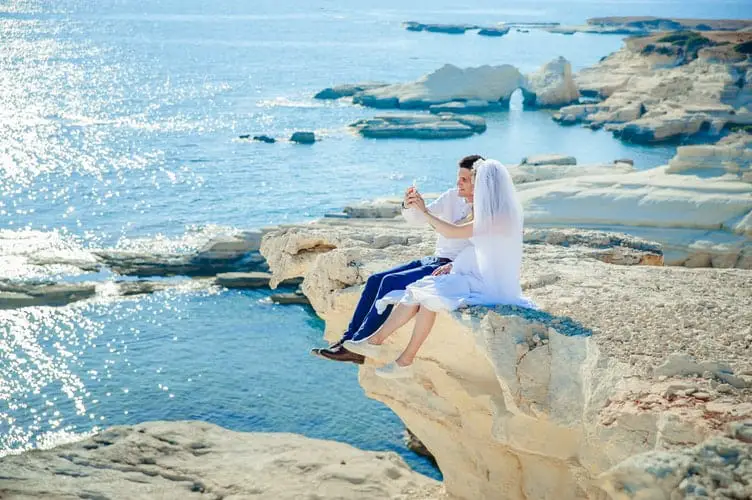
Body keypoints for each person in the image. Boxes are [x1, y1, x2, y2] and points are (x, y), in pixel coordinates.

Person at [343, 159, 535, 378]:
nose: (462, 184)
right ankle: (396, 357)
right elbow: (486, 244)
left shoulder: (499, 217)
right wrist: (455, 264)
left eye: (470, 180)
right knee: (426, 295)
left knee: (425, 293)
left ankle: (378, 344)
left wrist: (425, 212)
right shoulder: (490, 212)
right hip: (473, 270)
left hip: (489, 280)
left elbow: (454, 233)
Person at [311, 155, 483, 364]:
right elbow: (419, 219)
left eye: (464, 180)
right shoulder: (451, 196)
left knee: (389, 282)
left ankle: (359, 344)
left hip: (452, 266)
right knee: (375, 279)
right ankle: (347, 340)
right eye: (458, 178)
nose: (458, 184)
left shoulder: (487, 209)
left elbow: (483, 250)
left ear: (478, 180)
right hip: (435, 258)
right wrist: (410, 204)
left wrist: (454, 265)